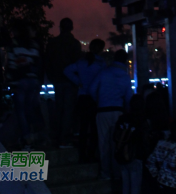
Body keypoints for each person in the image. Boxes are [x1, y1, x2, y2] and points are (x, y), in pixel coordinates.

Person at [90, 48, 133, 179]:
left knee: (103, 143)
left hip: (103, 110)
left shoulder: (104, 73)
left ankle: (105, 173)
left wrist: (99, 100)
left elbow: (92, 89)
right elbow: (129, 98)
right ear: (125, 61)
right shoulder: (125, 77)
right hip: (118, 112)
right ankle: (117, 173)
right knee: (117, 143)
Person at [64, 38, 106, 162]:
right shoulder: (101, 64)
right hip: (94, 98)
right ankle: (91, 154)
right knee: (94, 128)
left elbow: (66, 71)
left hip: (82, 97)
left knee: (83, 127)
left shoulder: (81, 62)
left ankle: (82, 154)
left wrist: (78, 82)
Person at [45, 17, 82, 147]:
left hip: (57, 79)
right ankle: (65, 136)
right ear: (71, 28)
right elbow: (78, 64)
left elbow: (48, 61)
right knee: (68, 109)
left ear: (60, 27)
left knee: (59, 107)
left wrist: (51, 76)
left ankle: (57, 134)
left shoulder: (53, 43)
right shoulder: (75, 44)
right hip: (71, 81)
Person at [7, 22, 44, 147]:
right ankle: (36, 136)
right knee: (29, 109)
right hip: (33, 80)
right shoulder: (33, 44)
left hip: (20, 81)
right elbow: (37, 63)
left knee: (20, 111)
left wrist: (11, 81)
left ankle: (26, 138)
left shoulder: (14, 44)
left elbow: (12, 64)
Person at [146, 119, 176, 191]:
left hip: (161, 182)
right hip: (175, 185)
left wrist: (156, 175)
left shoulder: (160, 143)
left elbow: (150, 162)